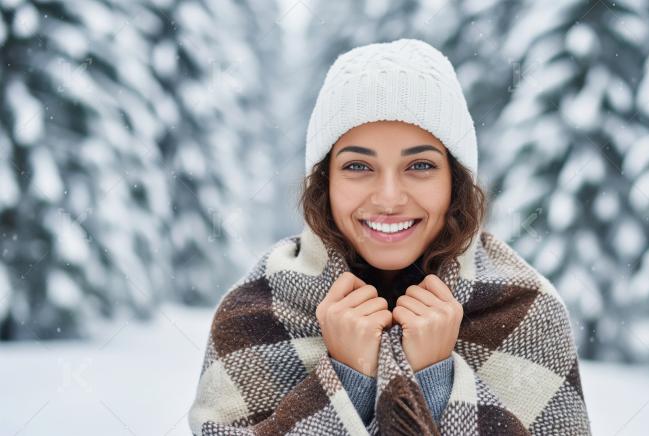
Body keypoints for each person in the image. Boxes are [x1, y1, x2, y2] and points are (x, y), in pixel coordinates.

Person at [188, 38, 591, 435]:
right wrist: (346, 381)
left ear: (456, 181)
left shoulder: (525, 310)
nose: (388, 198)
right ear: (324, 181)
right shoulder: (259, 311)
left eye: (419, 165)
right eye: (358, 167)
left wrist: (437, 383)